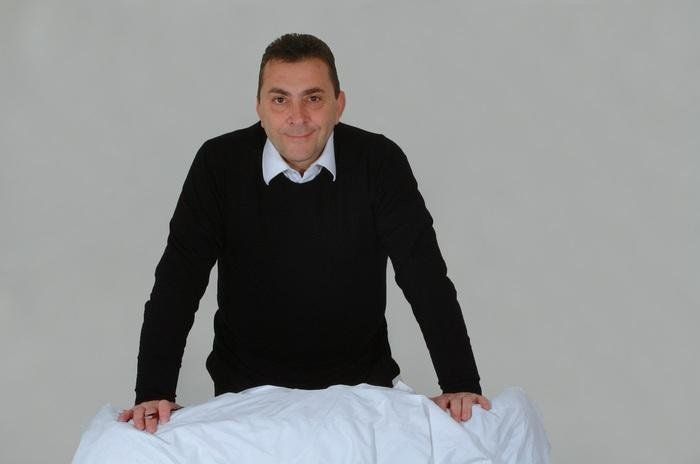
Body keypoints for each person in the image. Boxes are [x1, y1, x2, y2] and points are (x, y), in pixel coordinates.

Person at [118, 33, 490, 434]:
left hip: (361, 392)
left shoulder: (379, 162)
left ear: (338, 105)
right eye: (280, 100)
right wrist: (153, 391)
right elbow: (179, 281)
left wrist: (460, 383)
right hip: (246, 395)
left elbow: (425, 277)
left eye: (313, 98)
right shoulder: (218, 165)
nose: (297, 116)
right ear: (260, 107)